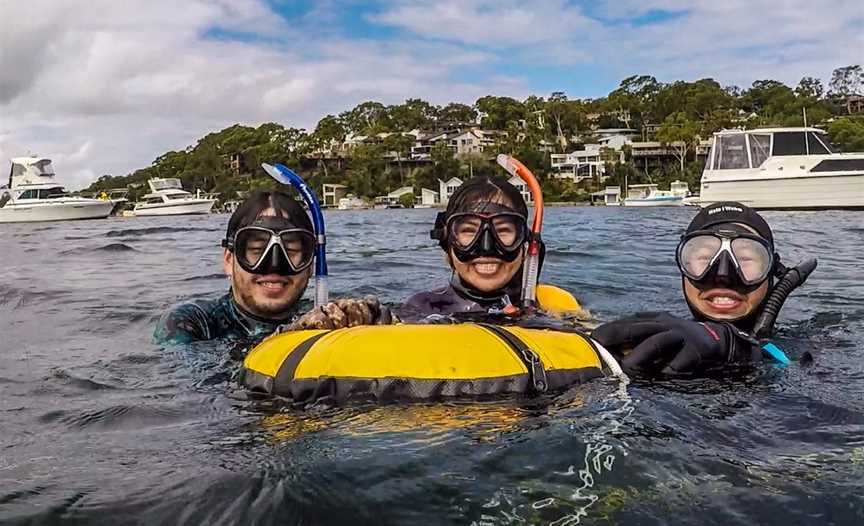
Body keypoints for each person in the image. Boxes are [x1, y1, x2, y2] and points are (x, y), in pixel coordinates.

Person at [592, 201, 815, 376]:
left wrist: (740, 351)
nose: (723, 275)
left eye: (745, 259)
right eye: (705, 257)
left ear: (772, 271)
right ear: (683, 266)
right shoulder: (649, 334)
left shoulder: (812, 342)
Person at [154, 190, 392, 345]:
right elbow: (196, 383)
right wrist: (290, 338)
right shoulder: (192, 321)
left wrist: (377, 321)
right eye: (257, 251)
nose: (274, 265)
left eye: (291, 252)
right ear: (229, 260)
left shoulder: (326, 318)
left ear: (311, 264)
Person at [400, 176, 585, 321]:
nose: (486, 247)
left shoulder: (555, 304)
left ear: (526, 244)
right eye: (469, 231)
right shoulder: (423, 308)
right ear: (447, 243)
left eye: (503, 230)